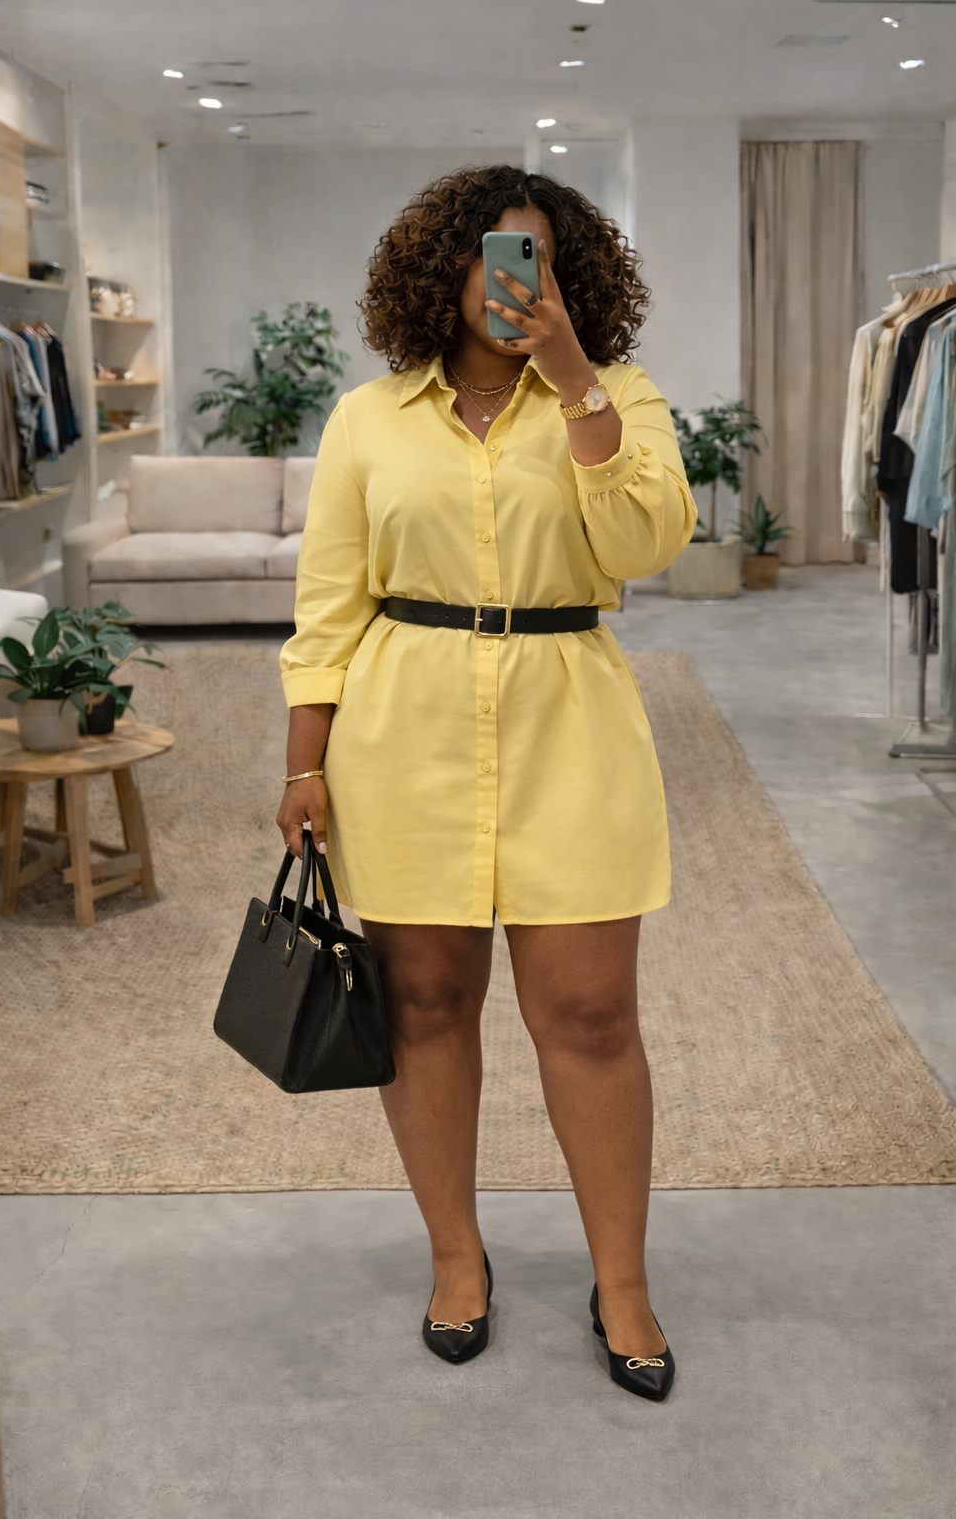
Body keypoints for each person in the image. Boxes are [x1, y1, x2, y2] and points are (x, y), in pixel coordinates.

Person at [277, 165, 696, 1402]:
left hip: (570, 720)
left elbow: (645, 545)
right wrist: (304, 758)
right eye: (496, 256)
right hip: (401, 733)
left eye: (543, 261)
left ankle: (620, 1281)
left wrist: (576, 387)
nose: (518, 282)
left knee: (588, 1017)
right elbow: (328, 605)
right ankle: (456, 1259)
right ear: (442, 269)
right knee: (423, 1006)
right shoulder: (369, 419)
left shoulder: (620, 399)